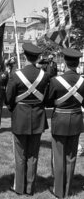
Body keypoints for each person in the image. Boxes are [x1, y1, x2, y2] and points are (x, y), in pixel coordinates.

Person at [6, 42, 50, 196]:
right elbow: (46, 98)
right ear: (38, 57)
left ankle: (19, 187)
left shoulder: (16, 75)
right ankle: (30, 188)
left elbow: (9, 98)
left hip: (20, 115)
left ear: (25, 56)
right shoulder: (45, 75)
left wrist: (14, 109)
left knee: (20, 155)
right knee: (33, 155)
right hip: (37, 116)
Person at [47, 48, 84, 198]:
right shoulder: (83, 82)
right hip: (75, 120)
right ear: (77, 63)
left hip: (60, 119)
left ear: (64, 62)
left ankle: (59, 190)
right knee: (71, 157)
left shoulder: (56, 81)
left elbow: (49, 102)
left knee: (58, 156)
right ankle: (67, 190)